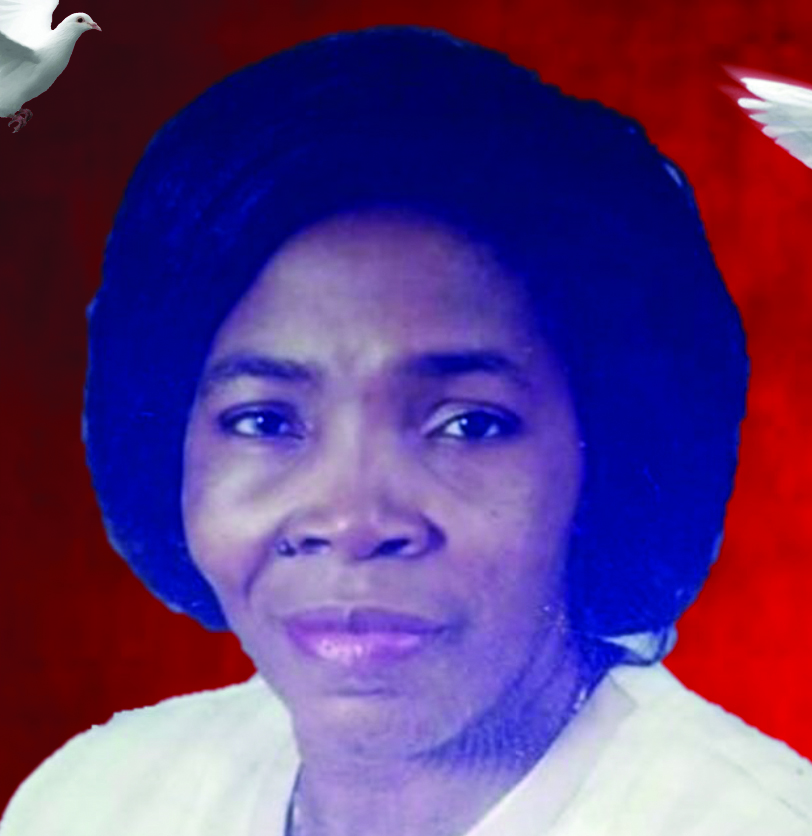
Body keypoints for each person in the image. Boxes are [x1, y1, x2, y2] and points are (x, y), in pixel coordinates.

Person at [2, 25, 811, 836]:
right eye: (265, 420)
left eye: (468, 425)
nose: (354, 522)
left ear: (605, 458)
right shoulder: (97, 801)